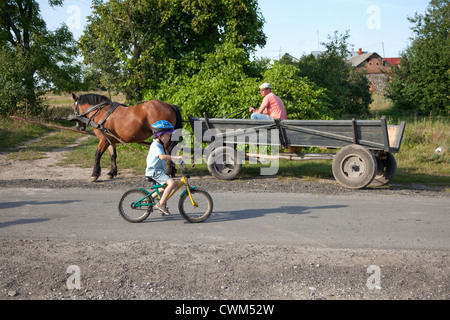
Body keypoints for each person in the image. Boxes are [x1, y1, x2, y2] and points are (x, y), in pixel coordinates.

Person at [146, 120, 183, 216]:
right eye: (168, 135)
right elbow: (162, 157)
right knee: (172, 183)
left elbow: (165, 156)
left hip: (158, 171)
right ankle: (161, 204)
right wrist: (175, 158)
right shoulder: (156, 145)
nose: (169, 137)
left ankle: (150, 198)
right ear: (160, 135)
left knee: (165, 186)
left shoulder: (160, 144)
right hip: (155, 172)